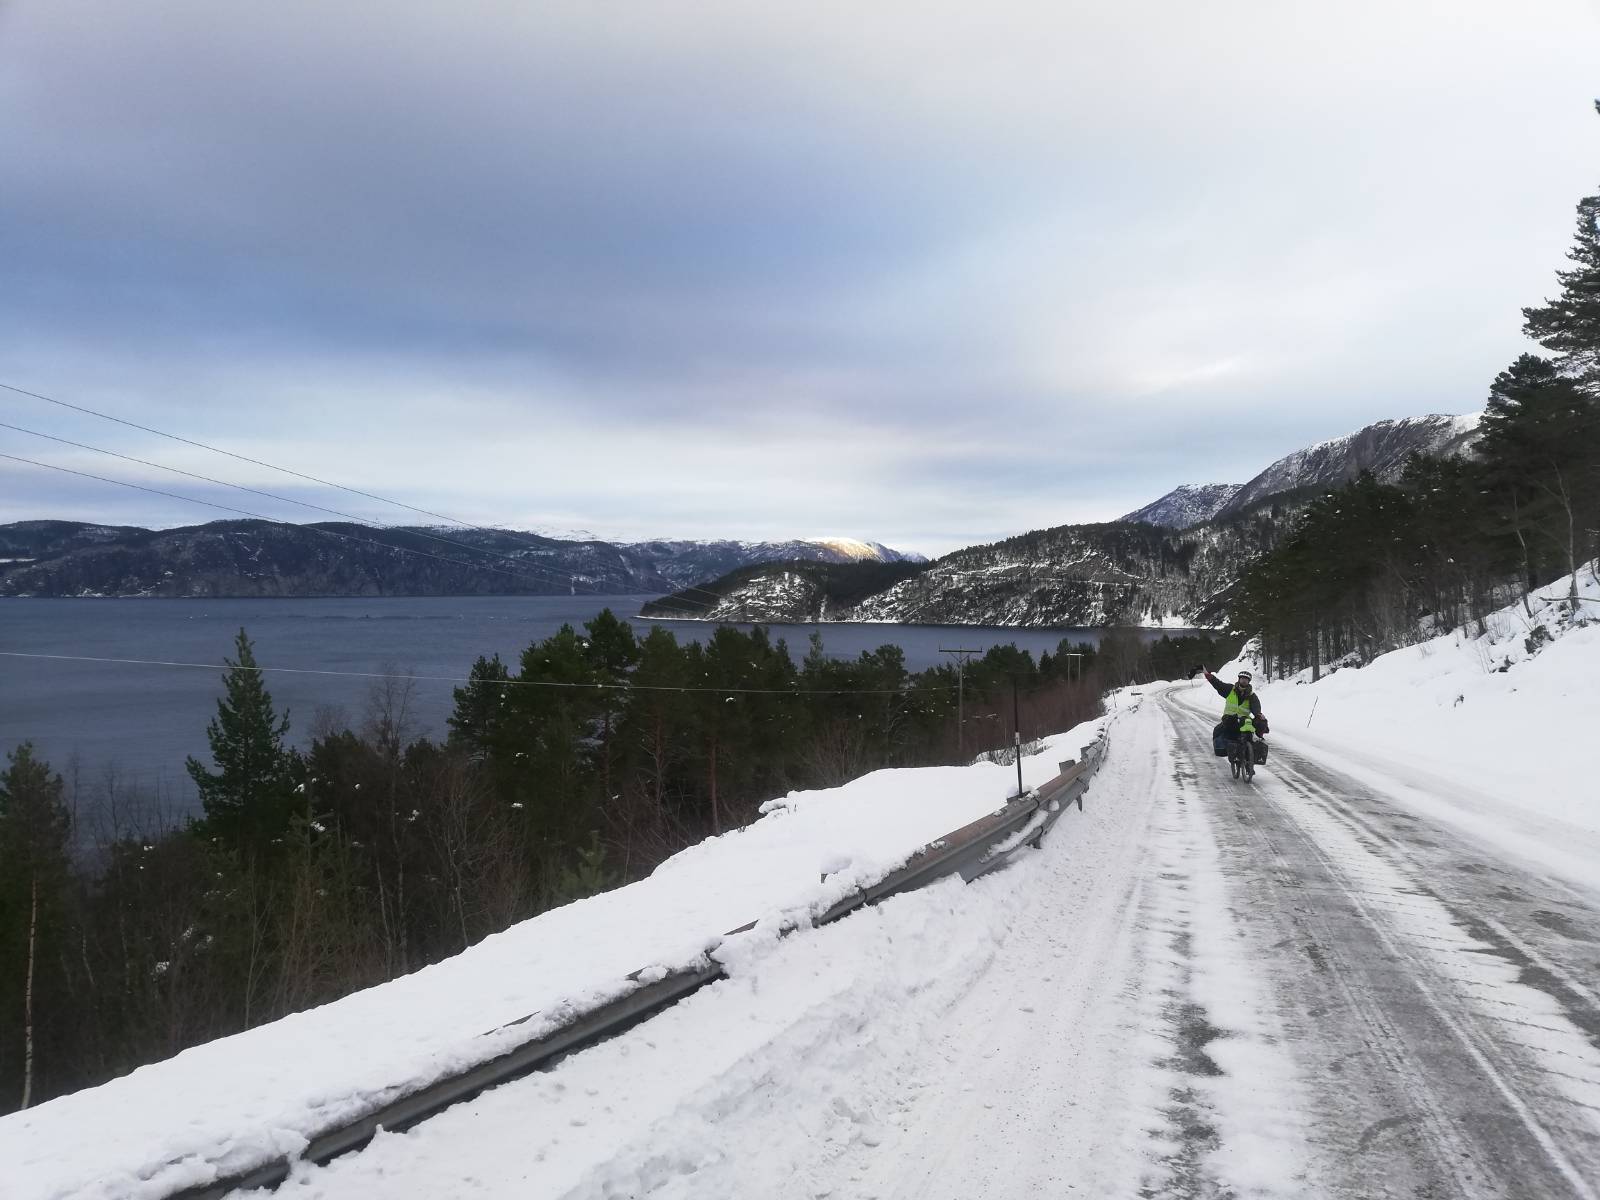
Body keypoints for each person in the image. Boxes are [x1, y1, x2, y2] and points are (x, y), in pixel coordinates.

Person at [1200, 667, 1268, 759]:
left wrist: (1258, 714)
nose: (1244, 681)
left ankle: (1249, 760)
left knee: (1259, 722)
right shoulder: (1229, 690)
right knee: (1220, 729)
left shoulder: (1252, 696)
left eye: (1246, 680)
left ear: (1249, 682)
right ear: (1239, 679)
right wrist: (1207, 675)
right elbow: (1217, 684)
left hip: (1244, 721)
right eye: (1242, 679)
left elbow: (1256, 707)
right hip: (1230, 719)